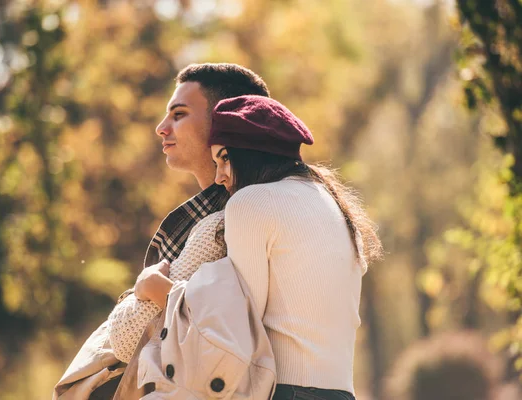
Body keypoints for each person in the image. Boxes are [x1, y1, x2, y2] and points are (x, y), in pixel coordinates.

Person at [136, 95, 383, 400]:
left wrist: (157, 287)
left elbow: (235, 324)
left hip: (285, 392)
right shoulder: (336, 207)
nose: (219, 176)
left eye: (224, 158)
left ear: (252, 154)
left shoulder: (251, 202)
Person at [53, 63, 271, 400]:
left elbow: (130, 339)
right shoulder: (215, 214)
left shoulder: (222, 225)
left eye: (179, 115)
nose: (161, 128)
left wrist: (144, 289)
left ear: (223, 124)